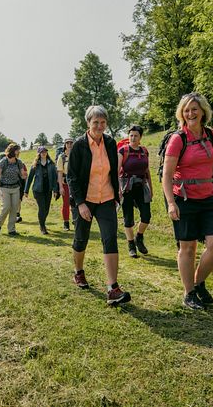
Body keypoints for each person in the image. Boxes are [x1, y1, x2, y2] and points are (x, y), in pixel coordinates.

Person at [161, 93, 213, 310]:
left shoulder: (210, 134)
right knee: (188, 248)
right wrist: (171, 203)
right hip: (184, 198)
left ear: (203, 111)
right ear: (182, 113)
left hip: (208, 197)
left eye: (195, 109)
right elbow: (167, 175)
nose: (191, 113)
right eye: (187, 110)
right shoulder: (178, 139)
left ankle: (198, 282)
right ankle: (189, 293)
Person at [67, 105, 131, 306]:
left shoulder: (111, 143)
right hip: (85, 200)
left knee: (110, 238)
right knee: (81, 238)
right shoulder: (79, 145)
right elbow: (72, 177)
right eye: (96, 122)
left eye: (103, 122)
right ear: (88, 123)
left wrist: (117, 190)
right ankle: (78, 271)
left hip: (106, 199)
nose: (100, 126)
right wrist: (80, 203)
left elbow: (114, 169)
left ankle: (113, 288)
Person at [118, 125, 153, 258]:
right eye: (131, 135)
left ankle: (139, 237)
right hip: (126, 187)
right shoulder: (123, 151)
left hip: (141, 186)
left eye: (136, 136)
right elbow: (116, 171)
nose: (133, 138)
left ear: (140, 137)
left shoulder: (144, 151)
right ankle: (131, 245)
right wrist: (118, 190)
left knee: (146, 216)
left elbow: (147, 171)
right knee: (128, 219)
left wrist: (151, 188)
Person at [24, 146, 60, 235]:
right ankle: (42, 226)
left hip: (48, 190)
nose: (44, 153)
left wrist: (55, 190)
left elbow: (55, 178)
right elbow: (30, 178)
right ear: (39, 153)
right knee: (42, 208)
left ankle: (42, 222)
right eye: (42, 152)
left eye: (45, 151)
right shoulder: (35, 164)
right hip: (38, 190)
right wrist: (26, 190)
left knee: (47, 209)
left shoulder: (51, 164)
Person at [0, 143, 27, 236]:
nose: (19, 152)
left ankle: (11, 229)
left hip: (16, 188)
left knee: (14, 208)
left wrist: (25, 175)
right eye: (18, 150)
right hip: (4, 188)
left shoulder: (19, 162)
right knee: (6, 207)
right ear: (13, 151)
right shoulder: (3, 161)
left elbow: (22, 175)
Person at [56, 138, 74, 230]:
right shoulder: (61, 157)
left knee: (77, 203)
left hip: (75, 184)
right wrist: (60, 187)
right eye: (68, 143)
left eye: (71, 143)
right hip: (65, 184)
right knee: (66, 204)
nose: (69, 145)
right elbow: (59, 173)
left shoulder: (76, 155)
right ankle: (66, 223)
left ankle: (76, 221)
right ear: (65, 145)